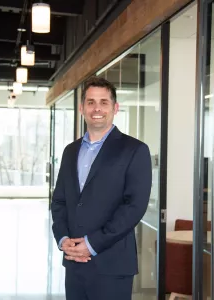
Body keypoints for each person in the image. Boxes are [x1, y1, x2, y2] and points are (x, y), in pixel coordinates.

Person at [51, 76, 152, 300]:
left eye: (104, 102)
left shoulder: (135, 150)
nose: (97, 108)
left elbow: (134, 207)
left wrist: (92, 244)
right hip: (74, 263)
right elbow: (59, 201)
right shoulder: (70, 151)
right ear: (81, 108)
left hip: (112, 265)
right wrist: (62, 238)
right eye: (90, 102)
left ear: (115, 108)